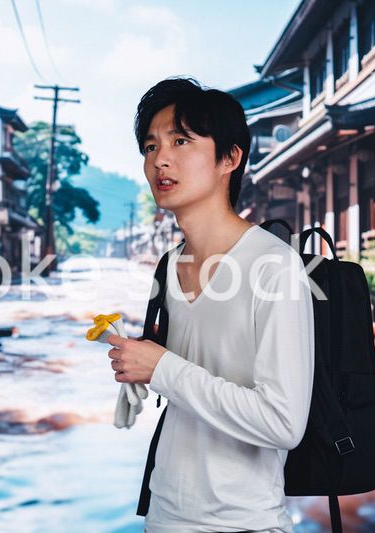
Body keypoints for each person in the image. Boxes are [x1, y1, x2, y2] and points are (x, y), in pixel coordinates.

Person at [105, 77, 315, 532]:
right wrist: (140, 367)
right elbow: (186, 384)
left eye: (181, 141)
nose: (160, 158)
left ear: (230, 157)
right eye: (149, 146)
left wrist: (162, 368)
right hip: (163, 515)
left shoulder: (274, 266)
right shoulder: (168, 266)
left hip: (245, 522)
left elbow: (283, 423)